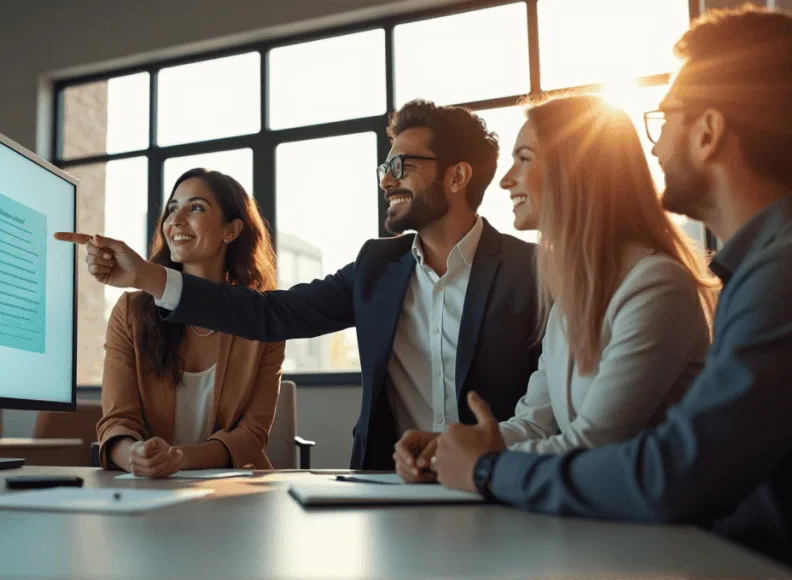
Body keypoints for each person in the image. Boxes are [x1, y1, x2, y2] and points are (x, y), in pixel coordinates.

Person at [429, 6, 792, 565]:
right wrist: (454, 451)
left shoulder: (770, 279)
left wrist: (485, 468)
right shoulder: (755, 274)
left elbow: (672, 472)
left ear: (708, 132)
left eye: (664, 119)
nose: (655, 147)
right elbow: (546, 420)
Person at [61, 100, 541, 470]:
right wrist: (146, 276)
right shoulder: (376, 267)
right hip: (392, 487)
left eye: (402, 167)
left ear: (457, 176)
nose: (386, 181)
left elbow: (550, 407)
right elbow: (271, 313)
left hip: (498, 481)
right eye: (384, 168)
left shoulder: (534, 271)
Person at [394, 95, 717, 482]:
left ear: (575, 170)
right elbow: (535, 424)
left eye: (524, 158)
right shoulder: (572, 295)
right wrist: (447, 447)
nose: (506, 179)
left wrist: (478, 463)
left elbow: (593, 445)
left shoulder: (657, 287)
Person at [57, 169, 284, 476]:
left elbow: (251, 435)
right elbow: (117, 421)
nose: (176, 220)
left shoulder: (261, 319)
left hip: (235, 488)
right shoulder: (131, 312)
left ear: (231, 230)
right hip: (144, 487)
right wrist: (135, 456)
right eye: (172, 208)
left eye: (196, 207)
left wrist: (177, 459)